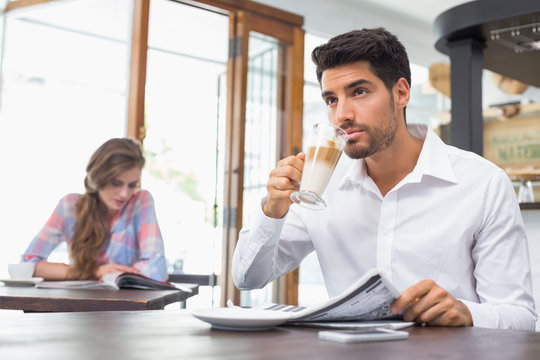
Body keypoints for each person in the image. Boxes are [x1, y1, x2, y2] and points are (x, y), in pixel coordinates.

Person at [232, 28, 537, 330]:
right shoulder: (319, 185)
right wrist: (272, 211)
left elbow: (520, 317)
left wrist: (466, 313)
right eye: (331, 100)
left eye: (359, 92)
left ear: (401, 93)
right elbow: (248, 279)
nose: (342, 115)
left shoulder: (483, 183)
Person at [22, 137, 168, 282]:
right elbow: (27, 266)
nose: (124, 193)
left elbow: (157, 268)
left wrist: (108, 275)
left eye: (132, 185)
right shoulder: (70, 206)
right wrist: (94, 272)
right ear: (98, 177)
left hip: (128, 304)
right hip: (82, 302)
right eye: (116, 183)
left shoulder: (140, 201)